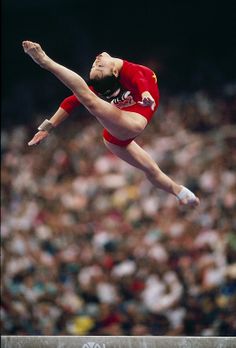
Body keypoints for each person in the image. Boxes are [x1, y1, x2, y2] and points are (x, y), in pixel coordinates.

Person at [22, 40, 200, 207]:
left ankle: (180, 192)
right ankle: (45, 61)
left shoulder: (134, 71)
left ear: (115, 73)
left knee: (152, 171)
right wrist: (47, 128)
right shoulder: (102, 83)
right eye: (95, 65)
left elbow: (140, 78)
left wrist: (145, 93)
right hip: (115, 138)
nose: (97, 60)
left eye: (98, 65)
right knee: (87, 99)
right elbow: (71, 101)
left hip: (131, 125)